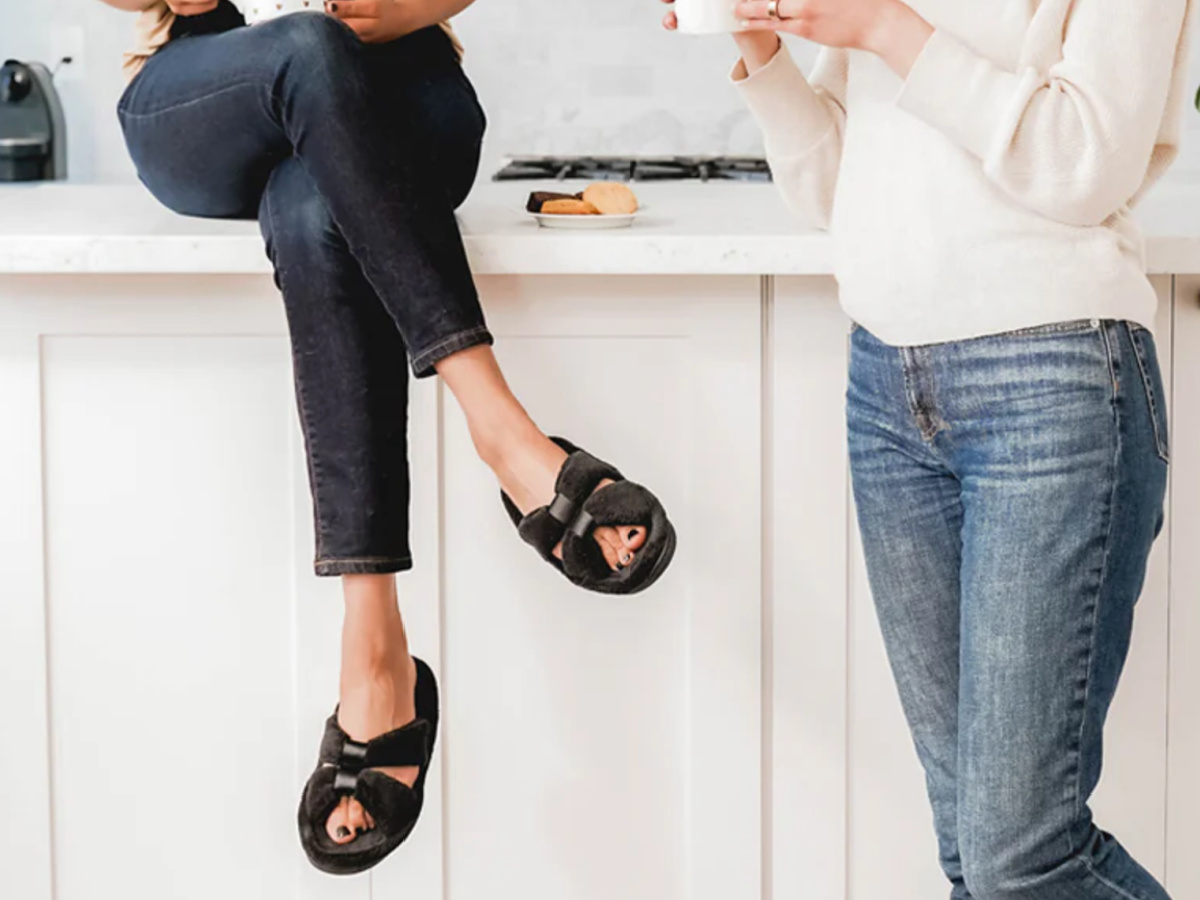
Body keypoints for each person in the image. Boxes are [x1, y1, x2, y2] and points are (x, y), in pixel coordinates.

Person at [100, 0, 676, 875]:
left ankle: (375, 654)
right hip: (215, 79)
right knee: (306, 44)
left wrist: (399, 9)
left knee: (308, 201)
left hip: (402, 80)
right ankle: (509, 437)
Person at [661, 0, 1191, 897]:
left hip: (1053, 380)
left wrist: (883, 27)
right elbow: (834, 185)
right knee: (974, 857)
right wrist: (755, 39)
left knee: (1023, 859)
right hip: (887, 390)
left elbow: (1083, 162)